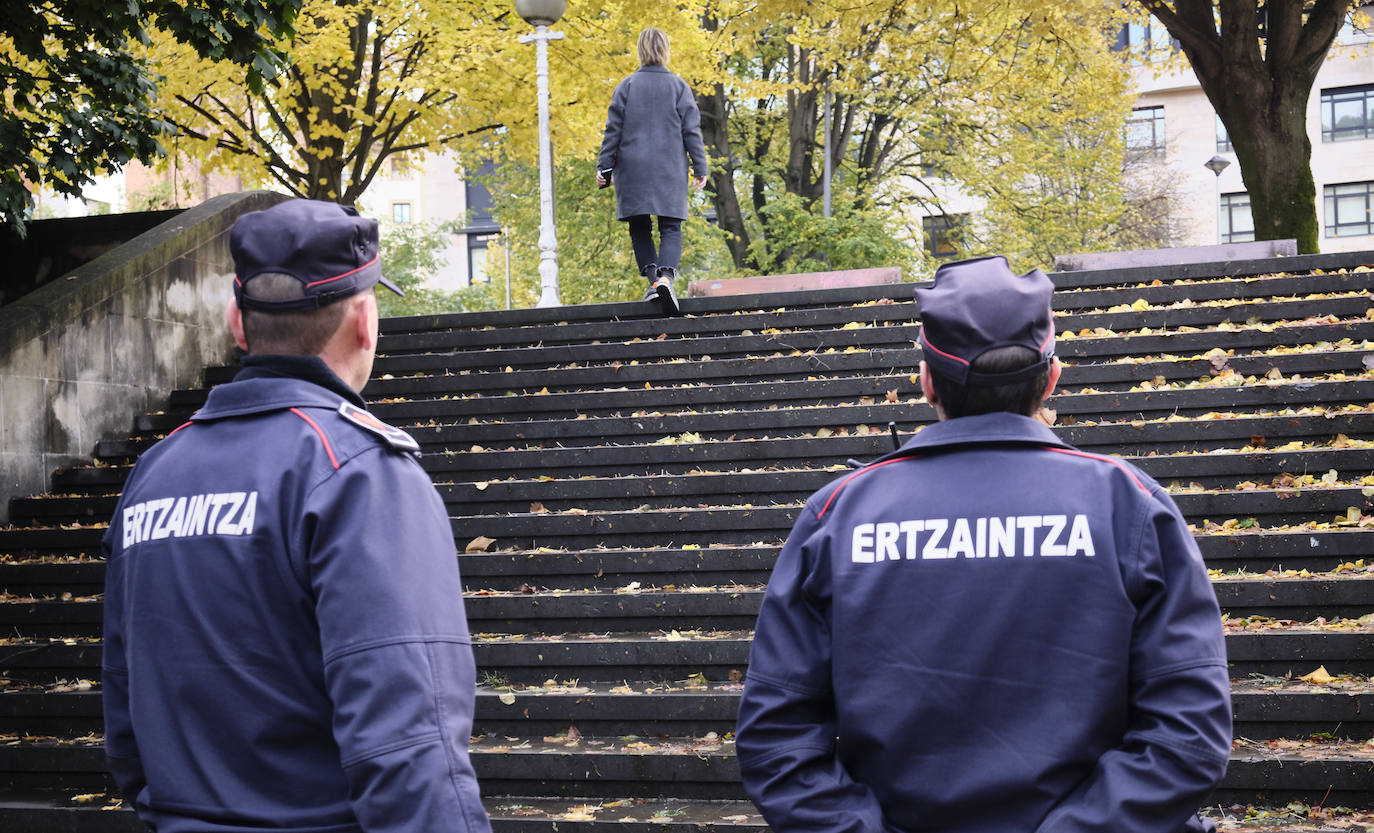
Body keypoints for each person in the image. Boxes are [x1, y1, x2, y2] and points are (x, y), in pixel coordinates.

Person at [736, 255, 1232, 833]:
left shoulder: (836, 514)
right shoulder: (1129, 503)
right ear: (1051, 378)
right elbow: (1189, 733)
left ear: (926, 382)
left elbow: (777, 739)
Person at [101, 199, 492, 833]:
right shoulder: (358, 470)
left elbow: (124, 715)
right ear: (364, 320)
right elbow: (408, 745)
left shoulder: (156, 471)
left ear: (237, 322)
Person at [597, 26, 709, 316]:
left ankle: (653, 281)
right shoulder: (678, 87)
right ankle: (666, 278)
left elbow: (613, 131)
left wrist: (604, 167)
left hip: (632, 169)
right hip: (669, 168)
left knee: (639, 227)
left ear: (640, 50)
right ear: (665, 50)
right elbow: (691, 131)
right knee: (670, 226)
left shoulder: (626, 86)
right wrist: (700, 166)